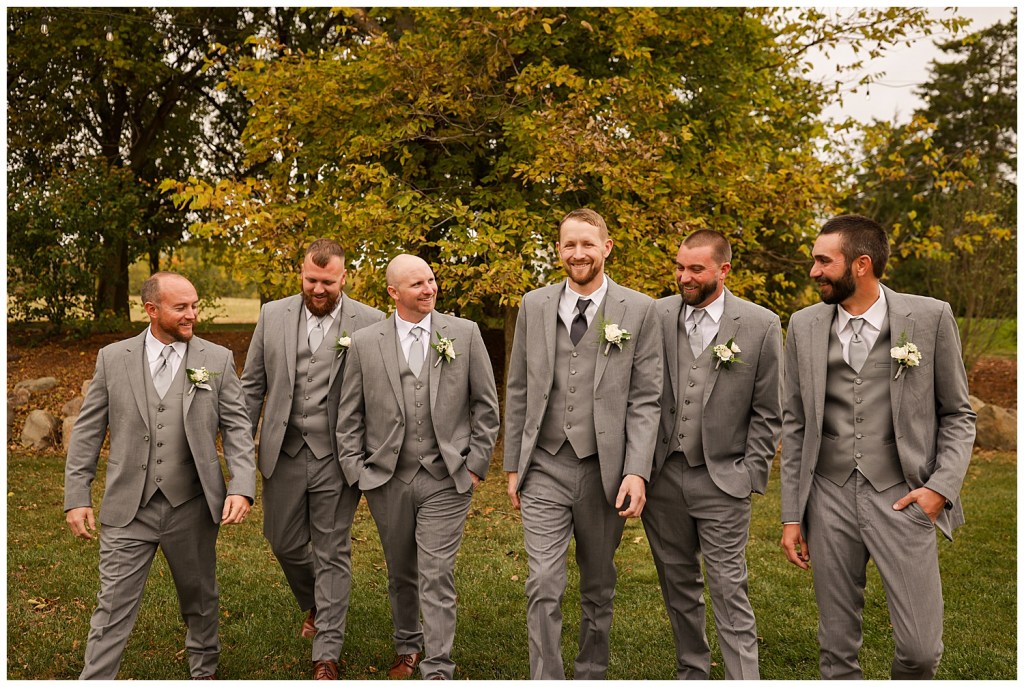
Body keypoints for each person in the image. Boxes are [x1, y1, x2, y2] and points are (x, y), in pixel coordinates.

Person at [780, 214, 976, 679]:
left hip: (902, 496)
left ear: (861, 264)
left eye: (823, 261)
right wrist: (792, 515)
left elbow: (958, 414)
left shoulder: (929, 317)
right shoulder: (804, 325)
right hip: (827, 495)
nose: (814, 271)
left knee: (920, 650)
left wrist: (940, 489)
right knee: (836, 649)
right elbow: (796, 424)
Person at [64, 272, 256, 680]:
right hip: (128, 506)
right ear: (151, 310)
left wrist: (241, 486)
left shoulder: (216, 359)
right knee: (112, 604)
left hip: (192, 505)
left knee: (199, 598)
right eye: (181, 307)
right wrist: (77, 496)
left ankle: (204, 671)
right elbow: (87, 431)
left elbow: (238, 427)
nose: (192, 314)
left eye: (194, 305)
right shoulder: (113, 358)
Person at [503, 208, 662, 679]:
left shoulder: (641, 310)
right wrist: (513, 465)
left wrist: (636, 470)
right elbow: (518, 388)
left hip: (604, 470)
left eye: (587, 244)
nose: (578, 253)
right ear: (558, 249)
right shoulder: (534, 304)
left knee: (598, 582)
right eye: (569, 244)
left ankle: (591, 671)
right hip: (544, 465)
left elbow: (647, 398)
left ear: (606, 247)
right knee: (543, 582)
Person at [337, 254, 499, 680]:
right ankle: (408, 645)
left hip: (447, 477)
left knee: (436, 572)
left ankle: (438, 666)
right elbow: (349, 415)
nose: (429, 289)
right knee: (401, 571)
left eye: (431, 280)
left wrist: (475, 465)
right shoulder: (366, 342)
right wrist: (357, 472)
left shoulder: (464, 333)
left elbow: (486, 406)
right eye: (417, 284)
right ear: (393, 292)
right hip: (387, 479)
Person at [240, 238, 383, 680]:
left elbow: (380, 396)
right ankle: (319, 603)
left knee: (332, 550)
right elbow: (252, 386)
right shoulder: (272, 315)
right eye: (310, 280)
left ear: (344, 278)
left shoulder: (370, 322)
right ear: (300, 274)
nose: (318, 289)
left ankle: (326, 654)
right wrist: (241, 449)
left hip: (338, 456)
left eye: (327, 282)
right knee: (282, 541)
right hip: (282, 451)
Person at [643, 229, 782, 679]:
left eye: (695, 269)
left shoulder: (760, 324)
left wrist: (749, 473)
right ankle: (692, 672)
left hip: (724, 478)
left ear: (723, 270)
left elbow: (769, 410)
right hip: (662, 477)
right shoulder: (656, 314)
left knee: (728, 587)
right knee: (677, 585)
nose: (684, 277)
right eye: (679, 267)